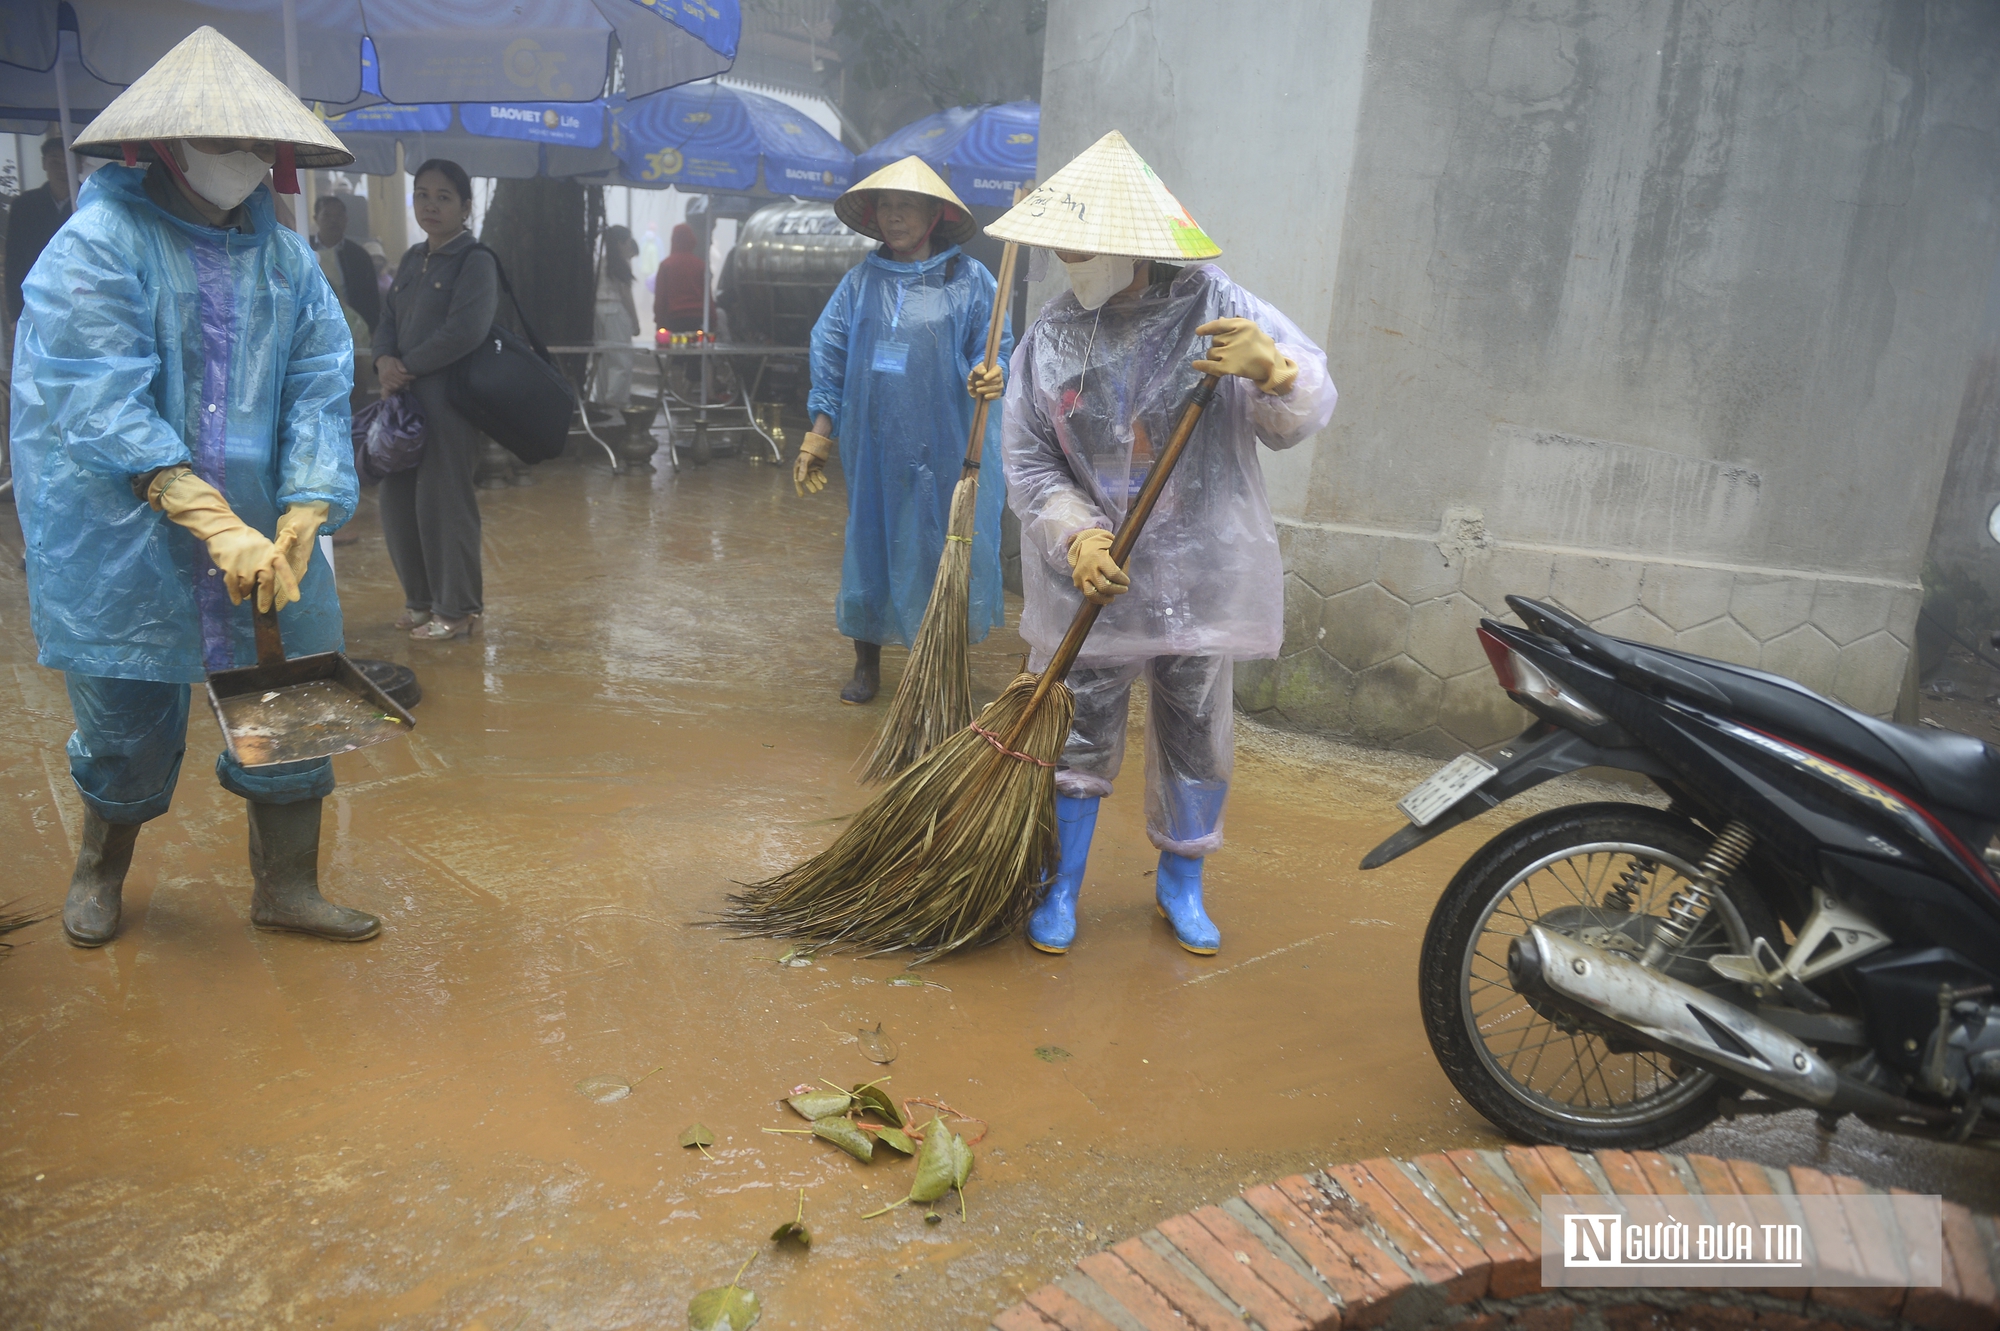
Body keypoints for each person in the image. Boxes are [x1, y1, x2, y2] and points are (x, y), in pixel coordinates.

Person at [11, 26, 376, 948]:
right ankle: (100, 869)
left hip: (264, 527)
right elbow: (98, 402)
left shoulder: (287, 261)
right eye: (223, 144)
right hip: (123, 533)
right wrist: (207, 518)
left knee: (289, 703)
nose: (242, 163)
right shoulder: (96, 247)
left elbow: (320, 381)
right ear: (166, 145)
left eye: (258, 146)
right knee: (125, 718)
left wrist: (304, 503)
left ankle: (287, 886)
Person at [990, 131, 1337, 956]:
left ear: (1129, 238)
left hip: (1196, 567)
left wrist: (1274, 369)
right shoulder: (1051, 335)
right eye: (1062, 244)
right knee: (1078, 726)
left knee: (1194, 727)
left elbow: (1303, 412)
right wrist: (1074, 536)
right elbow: (1031, 458)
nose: (1071, 257)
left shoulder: (1216, 305)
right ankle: (1060, 886)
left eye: (1083, 242)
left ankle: (1182, 882)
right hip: (1097, 573)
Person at [797, 157, 1010, 703]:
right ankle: (867, 663)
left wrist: (992, 373)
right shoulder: (860, 282)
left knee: (943, 545)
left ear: (934, 215)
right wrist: (820, 434)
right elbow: (832, 354)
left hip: (944, 442)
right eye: (886, 207)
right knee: (869, 541)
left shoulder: (968, 279)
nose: (894, 217)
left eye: (906, 207)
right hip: (875, 444)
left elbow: (993, 348)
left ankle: (938, 665)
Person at [371, 158, 497, 642]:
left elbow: (466, 329)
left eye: (443, 197)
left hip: (449, 404)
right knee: (397, 499)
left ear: (465, 207)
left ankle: (458, 608)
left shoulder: (475, 260)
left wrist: (406, 366)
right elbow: (387, 319)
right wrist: (383, 360)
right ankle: (420, 601)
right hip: (401, 403)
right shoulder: (410, 260)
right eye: (422, 194)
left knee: (443, 502)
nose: (431, 204)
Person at [5, 133, 72, 324]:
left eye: (67, 161)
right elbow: (14, 262)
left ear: (79, 164)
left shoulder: (88, 202)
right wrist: (15, 314)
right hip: (35, 303)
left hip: (77, 302)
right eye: (54, 161)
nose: (62, 169)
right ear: (44, 163)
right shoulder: (24, 206)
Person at [311, 192, 381, 332]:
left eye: (339, 216)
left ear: (346, 219)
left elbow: (372, 300)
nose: (333, 221)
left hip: (351, 328)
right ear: (315, 219)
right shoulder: (304, 248)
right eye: (327, 215)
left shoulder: (359, 256)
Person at [589, 223, 640, 408]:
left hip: (598, 312)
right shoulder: (621, 264)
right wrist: (635, 321)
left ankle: (602, 398)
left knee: (603, 359)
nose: (629, 245)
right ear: (620, 243)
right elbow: (626, 295)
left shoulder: (599, 262)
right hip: (616, 312)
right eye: (627, 241)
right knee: (621, 359)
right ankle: (616, 401)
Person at [653, 221, 706, 334]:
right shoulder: (700, 265)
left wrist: (659, 322)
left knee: (674, 350)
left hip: (673, 320)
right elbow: (706, 296)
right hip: (697, 319)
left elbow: (660, 296)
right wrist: (712, 320)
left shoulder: (666, 265)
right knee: (696, 350)